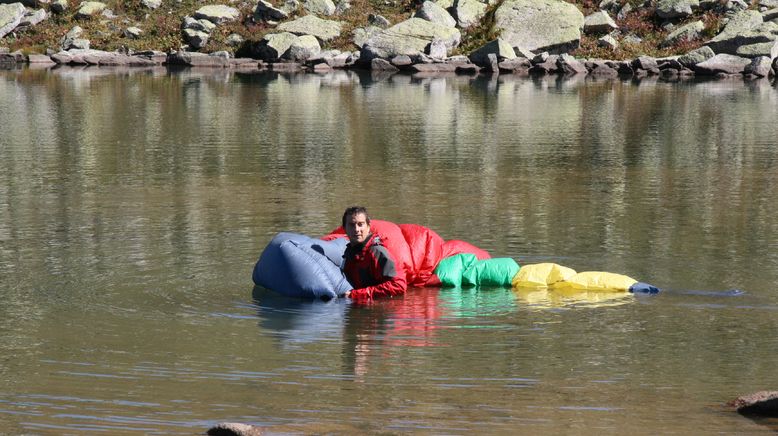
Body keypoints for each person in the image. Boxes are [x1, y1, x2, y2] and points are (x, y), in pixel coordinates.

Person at [341, 206, 407, 299]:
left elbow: (398, 286)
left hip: (382, 309)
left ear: (368, 226)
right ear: (344, 228)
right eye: (352, 225)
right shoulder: (349, 253)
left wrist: (357, 294)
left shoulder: (377, 252)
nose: (356, 229)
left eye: (360, 224)